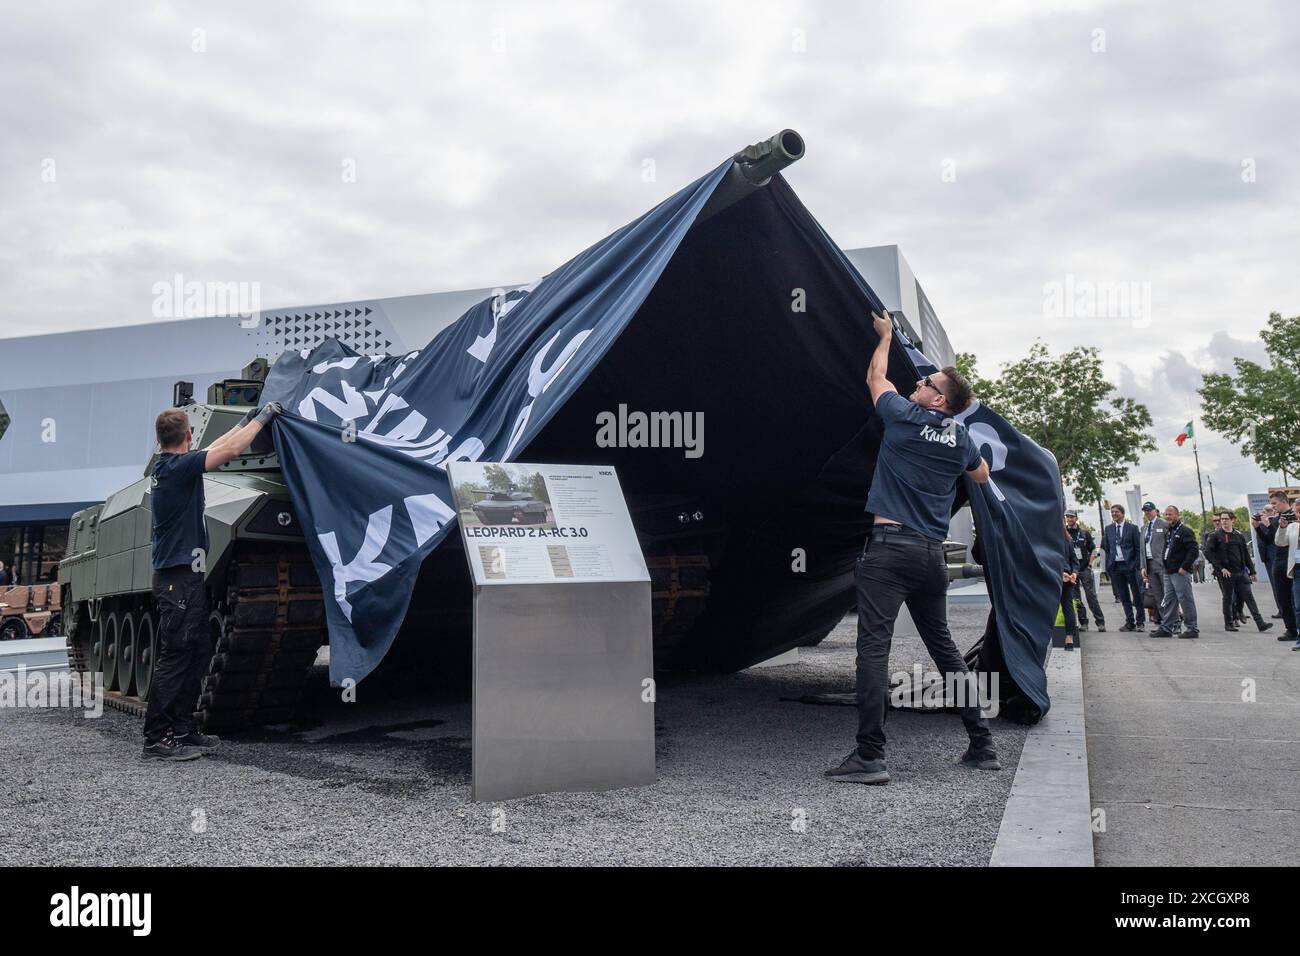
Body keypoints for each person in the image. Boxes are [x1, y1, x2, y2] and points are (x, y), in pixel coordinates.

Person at [826, 311, 996, 786]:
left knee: (873, 650)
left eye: (926, 381)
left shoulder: (902, 415)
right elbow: (981, 476)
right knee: (944, 650)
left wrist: (884, 336)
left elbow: (874, 377)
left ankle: (870, 757)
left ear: (938, 399)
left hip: (889, 551)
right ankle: (982, 745)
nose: (917, 382)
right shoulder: (961, 437)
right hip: (930, 557)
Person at [141, 400, 283, 762]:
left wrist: (248, 420)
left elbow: (218, 446)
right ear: (188, 435)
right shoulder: (178, 467)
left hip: (184, 578)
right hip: (177, 580)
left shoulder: (173, 465)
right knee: (175, 657)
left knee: (198, 650)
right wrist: (265, 417)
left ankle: (184, 729)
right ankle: (156, 738)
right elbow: (231, 450)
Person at [1205, 510, 1271, 633]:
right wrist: (1220, 568)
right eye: (1222, 519)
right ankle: (1229, 623)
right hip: (1226, 573)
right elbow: (1208, 552)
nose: (1223, 521)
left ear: (1232, 520)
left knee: (1249, 597)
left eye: (1226, 519)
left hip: (1240, 572)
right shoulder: (1215, 536)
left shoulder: (1239, 535)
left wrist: (1252, 571)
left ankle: (1260, 622)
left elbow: (1245, 554)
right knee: (1228, 598)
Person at [1152, 505, 1199, 639]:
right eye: (1166, 514)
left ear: (1177, 515)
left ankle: (1192, 628)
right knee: (1169, 601)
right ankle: (1167, 628)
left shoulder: (1185, 531)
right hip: (1168, 571)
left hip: (1180, 572)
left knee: (1185, 600)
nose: (1167, 517)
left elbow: (1193, 551)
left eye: (1170, 514)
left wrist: (1184, 567)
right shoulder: (1169, 531)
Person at [1257, 492, 1299, 642]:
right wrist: (1257, 528)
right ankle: (1291, 629)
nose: (1273, 507)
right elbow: (1270, 540)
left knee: (1296, 597)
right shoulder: (1276, 520)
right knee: (1282, 597)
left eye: (1275, 504)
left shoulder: (1294, 518)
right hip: (1279, 561)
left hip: (1292, 561)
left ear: (1284, 501)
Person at [1102, 505, 1143, 631]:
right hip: (1116, 567)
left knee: (1137, 595)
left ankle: (1140, 622)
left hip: (1130, 566)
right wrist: (1109, 564)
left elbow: (1138, 548)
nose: (1114, 514)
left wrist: (1136, 565)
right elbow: (1107, 548)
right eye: (1112, 512)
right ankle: (1129, 622)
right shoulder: (1108, 529)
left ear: (1123, 513)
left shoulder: (1132, 528)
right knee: (1124, 596)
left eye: (1117, 512)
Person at [1065, 511, 1104, 631]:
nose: (1069, 519)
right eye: (1067, 517)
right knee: (1076, 598)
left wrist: (1090, 564)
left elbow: (1093, 550)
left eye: (1071, 517)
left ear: (1076, 518)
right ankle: (1084, 623)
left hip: (1084, 568)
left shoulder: (1084, 533)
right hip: (1072, 571)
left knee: (1091, 596)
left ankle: (1100, 622)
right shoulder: (1064, 532)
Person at [1140, 502, 1168, 628]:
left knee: (1168, 594)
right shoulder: (1144, 528)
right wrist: (1143, 567)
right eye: (1145, 511)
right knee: (1157, 595)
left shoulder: (1164, 524)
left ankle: (1173, 620)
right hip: (1149, 565)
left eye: (1149, 510)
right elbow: (1142, 549)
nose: (1147, 513)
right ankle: (1163, 622)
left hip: (1162, 564)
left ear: (1155, 511)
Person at [1060, 526, 1081, 651]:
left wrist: (1074, 573)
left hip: (1062, 578)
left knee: (1067, 608)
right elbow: (1074, 560)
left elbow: (1074, 560)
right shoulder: (1067, 538)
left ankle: (1069, 638)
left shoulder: (1067, 539)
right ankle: (1069, 639)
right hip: (1065, 577)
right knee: (1068, 608)